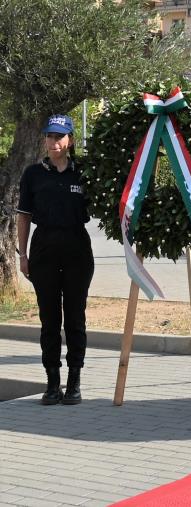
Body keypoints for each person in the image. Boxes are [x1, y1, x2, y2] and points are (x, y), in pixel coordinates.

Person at [16, 114, 94, 405]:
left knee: (75, 317)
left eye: (59, 136)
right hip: (44, 249)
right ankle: (52, 383)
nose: (53, 142)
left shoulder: (84, 172)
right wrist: (23, 255)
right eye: (49, 136)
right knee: (49, 319)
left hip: (77, 248)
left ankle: (74, 382)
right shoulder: (33, 174)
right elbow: (24, 217)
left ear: (70, 140)